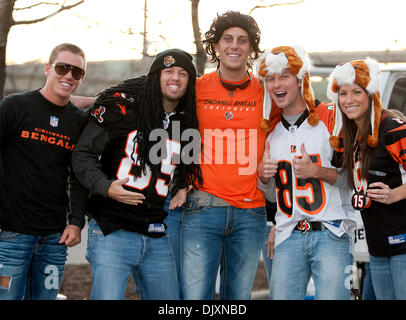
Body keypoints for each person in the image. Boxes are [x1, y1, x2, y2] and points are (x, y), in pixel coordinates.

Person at [71, 48, 201, 300]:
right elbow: (82, 154)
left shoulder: (187, 121)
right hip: (112, 230)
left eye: (183, 73)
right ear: (154, 77)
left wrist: (182, 187)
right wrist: (105, 187)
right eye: (169, 71)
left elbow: (186, 164)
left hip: (156, 232)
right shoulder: (124, 108)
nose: (176, 77)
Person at [170, 11, 267, 300]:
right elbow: (156, 103)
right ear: (216, 46)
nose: (234, 45)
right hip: (203, 205)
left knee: (237, 299)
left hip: (251, 211)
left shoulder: (267, 93)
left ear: (251, 48)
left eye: (242, 40)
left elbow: (301, 112)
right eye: (228, 39)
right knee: (195, 297)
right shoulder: (196, 88)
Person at [256, 45, 356, 300]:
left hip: (331, 231)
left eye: (284, 76)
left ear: (301, 79)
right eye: (271, 78)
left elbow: (353, 180)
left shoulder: (332, 119)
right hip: (288, 236)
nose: (277, 83)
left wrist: (317, 171)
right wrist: (265, 177)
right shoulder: (270, 131)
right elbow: (273, 196)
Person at [0, 43, 88, 300]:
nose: (69, 75)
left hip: (54, 238)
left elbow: (80, 176)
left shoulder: (78, 121)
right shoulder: (15, 106)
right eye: (62, 67)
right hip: (11, 235)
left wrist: (76, 221)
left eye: (77, 72)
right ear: (48, 69)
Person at [328, 58, 406, 300]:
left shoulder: (393, 128)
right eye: (343, 93)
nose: (348, 99)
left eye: (356, 92)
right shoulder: (348, 137)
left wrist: (396, 194)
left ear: (371, 93)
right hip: (376, 246)